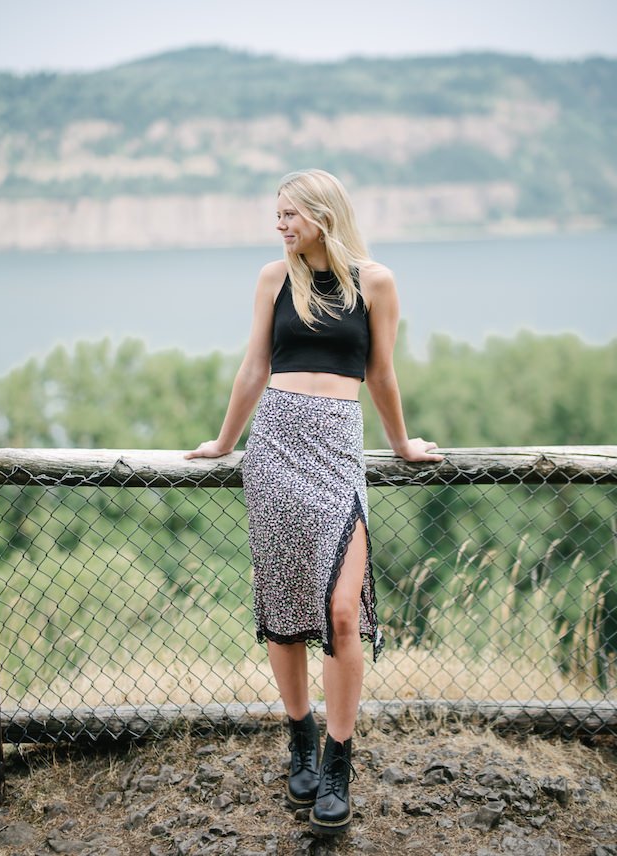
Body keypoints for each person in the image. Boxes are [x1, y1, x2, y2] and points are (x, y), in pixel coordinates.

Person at [184, 168, 441, 838]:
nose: (280, 225)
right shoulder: (274, 278)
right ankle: (300, 733)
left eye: (289, 214)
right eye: (278, 216)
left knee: (342, 610)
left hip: (335, 450)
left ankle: (338, 758)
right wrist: (222, 441)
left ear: (324, 214)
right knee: (284, 608)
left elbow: (382, 371)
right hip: (273, 446)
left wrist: (403, 442)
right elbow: (252, 368)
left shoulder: (376, 282)